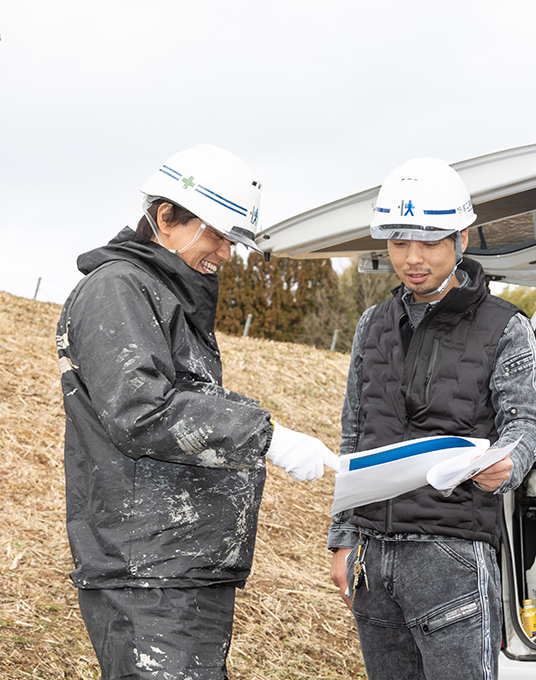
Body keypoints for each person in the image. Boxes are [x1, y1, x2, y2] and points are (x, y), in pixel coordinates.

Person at [56, 144, 336, 679]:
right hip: (148, 570)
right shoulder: (118, 290)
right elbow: (140, 411)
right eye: (218, 235)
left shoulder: (162, 296)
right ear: (166, 217)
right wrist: (267, 437)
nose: (226, 254)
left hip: (178, 566)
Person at [327, 157, 536, 679]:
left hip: (451, 554)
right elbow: (354, 431)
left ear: (462, 239)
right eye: (400, 242)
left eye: (428, 241)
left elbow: (528, 423)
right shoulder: (372, 325)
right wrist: (343, 535)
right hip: (374, 557)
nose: (412, 257)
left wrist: (508, 460)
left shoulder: (505, 327)